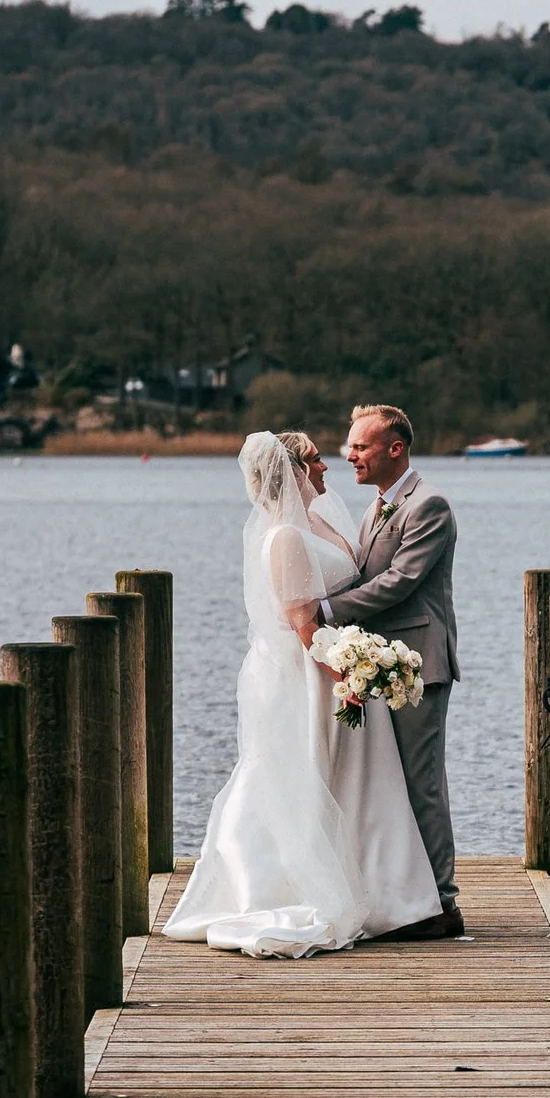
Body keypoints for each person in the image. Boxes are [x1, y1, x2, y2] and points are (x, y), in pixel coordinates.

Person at [161, 431, 443, 958]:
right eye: (315, 461)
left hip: (332, 665)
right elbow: (302, 624)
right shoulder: (284, 538)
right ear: (292, 471)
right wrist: (351, 677)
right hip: (308, 672)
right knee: (299, 775)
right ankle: (281, 885)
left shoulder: (322, 520)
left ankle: (384, 891)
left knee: (353, 782)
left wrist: (355, 665)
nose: (325, 469)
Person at [324, 403, 463, 940]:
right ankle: (407, 896)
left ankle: (443, 904)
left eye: (359, 446)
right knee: (390, 781)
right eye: (350, 445)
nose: (350, 455)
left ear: (394, 448)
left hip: (420, 664)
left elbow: (400, 582)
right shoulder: (378, 505)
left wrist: (329, 610)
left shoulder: (429, 505)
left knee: (421, 781)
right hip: (383, 663)